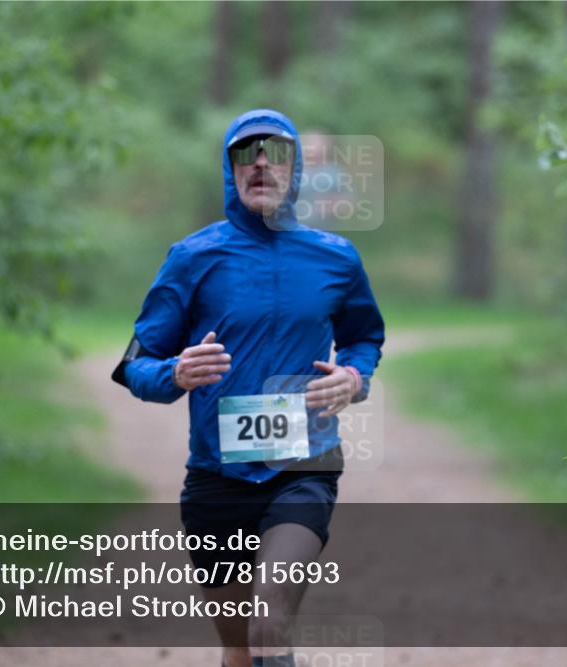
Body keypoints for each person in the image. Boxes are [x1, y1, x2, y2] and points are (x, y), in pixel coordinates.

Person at [113, 108, 385, 667]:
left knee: (269, 621)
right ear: (229, 169)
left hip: (303, 469)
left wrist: (353, 378)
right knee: (239, 650)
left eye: (275, 152)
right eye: (246, 153)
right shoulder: (192, 258)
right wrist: (173, 373)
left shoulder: (336, 257)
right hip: (216, 481)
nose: (261, 164)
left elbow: (364, 337)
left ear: (296, 167)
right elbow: (135, 365)